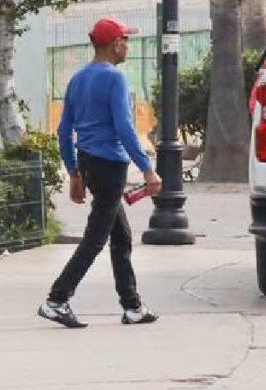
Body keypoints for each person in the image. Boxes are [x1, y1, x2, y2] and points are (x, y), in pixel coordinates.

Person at [39, 17, 163, 329]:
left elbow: (64, 130)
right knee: (95, 239)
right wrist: (148, 169)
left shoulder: (78, 79)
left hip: (89, 163)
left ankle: (132, 306)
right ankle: (56, 300)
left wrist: (74, 173)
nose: (128, 46)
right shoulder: (115, 78)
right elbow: (124, 127)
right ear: (115, 43)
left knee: (121, 236)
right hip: (109, 166)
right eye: (126, 40)